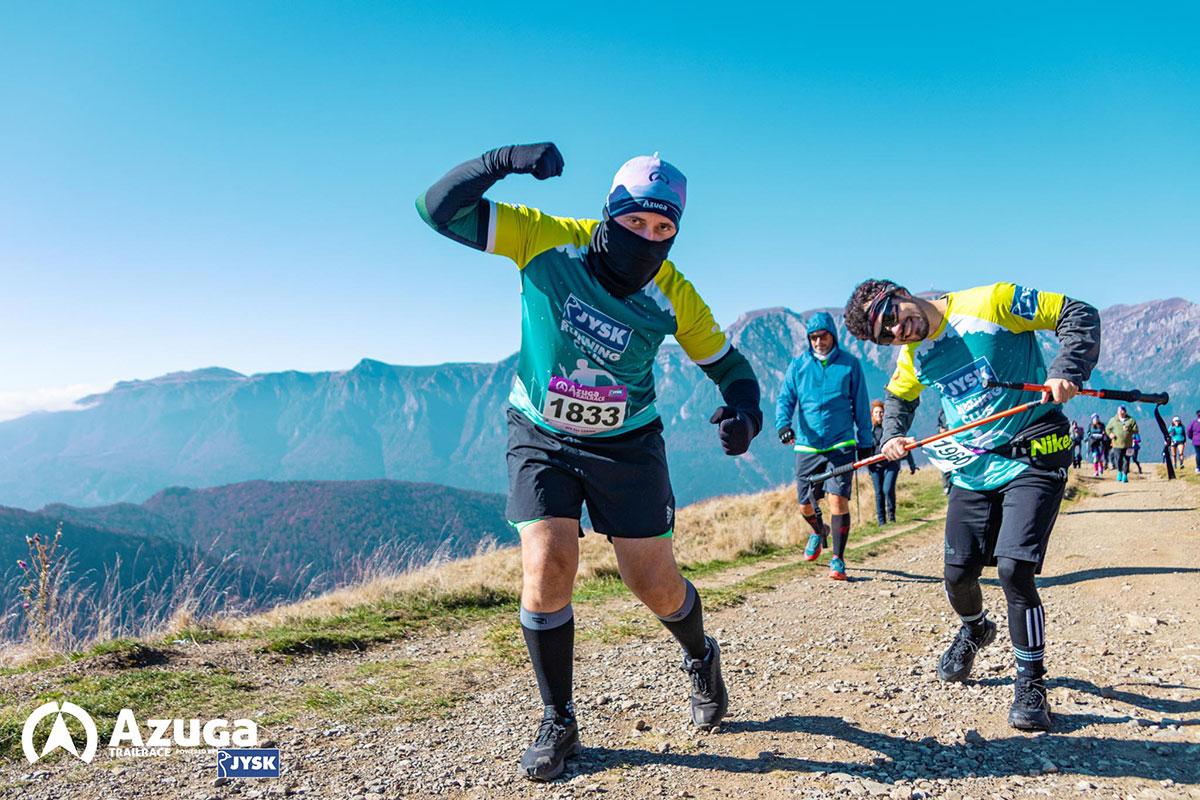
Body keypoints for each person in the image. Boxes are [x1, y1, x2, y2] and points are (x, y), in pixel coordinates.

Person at [417, 143, 763, 780]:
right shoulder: (545, 240)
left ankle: (700, 655)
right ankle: (560, 720)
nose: (648, 238)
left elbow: (730, 367)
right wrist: (504, 160)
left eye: (664, 229)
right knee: (548, 562)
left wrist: (745, 412)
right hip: (541, 433)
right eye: (635, 221)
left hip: (627, 445)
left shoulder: (673, 292)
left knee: (653, 583)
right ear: (610, 213)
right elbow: (437, 210)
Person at [843, 280, 1100, 732]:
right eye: (889, 336)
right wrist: (892, 437)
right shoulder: (913, 351)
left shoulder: (992, 302)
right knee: (958, 575)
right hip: (971, 468)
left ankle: (1031, 682)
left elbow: (1077, 312)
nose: (901, 331)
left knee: (1013, 570)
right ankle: (977, 629)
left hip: (1033, 453)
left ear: (900, 292)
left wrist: (1067, 368)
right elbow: (901, 397)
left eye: (895, 316)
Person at [775, 312, 873, 580]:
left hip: (841, 443)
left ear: (833, 336)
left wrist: (866, 442)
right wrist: (783, 425)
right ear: (809, 339)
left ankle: (838, 560)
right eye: (814, 337)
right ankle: (819, 531)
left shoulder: (850, 365)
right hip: (807, 445)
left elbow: (862, 405)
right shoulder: (798, 366)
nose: (819, 341)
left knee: (837, 501)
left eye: (823, 336)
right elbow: (785, 399)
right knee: (805, 505)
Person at [868, 399, 917, 525]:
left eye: (881, 412)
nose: (879, 415)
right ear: (872, 415)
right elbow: (865, 449)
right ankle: (881, 521)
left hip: (891, 463)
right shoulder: (869, 432)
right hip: (875, 467)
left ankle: (891, 516)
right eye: (876, 413)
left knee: (887, 489)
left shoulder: (890, 429)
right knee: (878, 492)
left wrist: (911, 464)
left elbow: (901, 444)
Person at [1106, 406, 1138, 483]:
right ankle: (1119, 471)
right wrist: (1110, 434)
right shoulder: (1113, 420)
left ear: (1126, 412)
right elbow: (1107, 428)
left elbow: (1136, 430)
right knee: (1118, 459)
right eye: (1120, 411)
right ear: (1118, 412)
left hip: (1129, 444)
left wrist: (1129, 429)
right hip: (1117, 444)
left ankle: (1125, 475)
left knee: (1127, 460)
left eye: (1123, 411)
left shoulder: (1131, 420)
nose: (1122, 412)